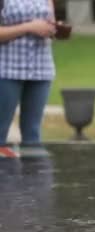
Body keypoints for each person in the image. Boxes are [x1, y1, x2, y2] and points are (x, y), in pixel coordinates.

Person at [0, 0, 56, 156]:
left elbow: (50, 23)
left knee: (33, 136)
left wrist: (53, 29)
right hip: (7, 70)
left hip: (40, 70)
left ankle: (35, 178)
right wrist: (29, 27)